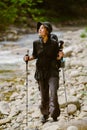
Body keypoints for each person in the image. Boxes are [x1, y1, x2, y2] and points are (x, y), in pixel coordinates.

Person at [24, 22, 64, 123]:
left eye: (42, 28)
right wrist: (27, 58)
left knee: (53, 93)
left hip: (52, 71)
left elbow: (57, 57)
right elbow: (34, 55)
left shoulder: (54, 43)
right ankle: (45, 115)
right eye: (39, 28)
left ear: (47, 31)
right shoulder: (36, 43)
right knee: (44, 95)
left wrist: (60, 56)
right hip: (41, 72)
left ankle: (54, 115)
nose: (39, 30)